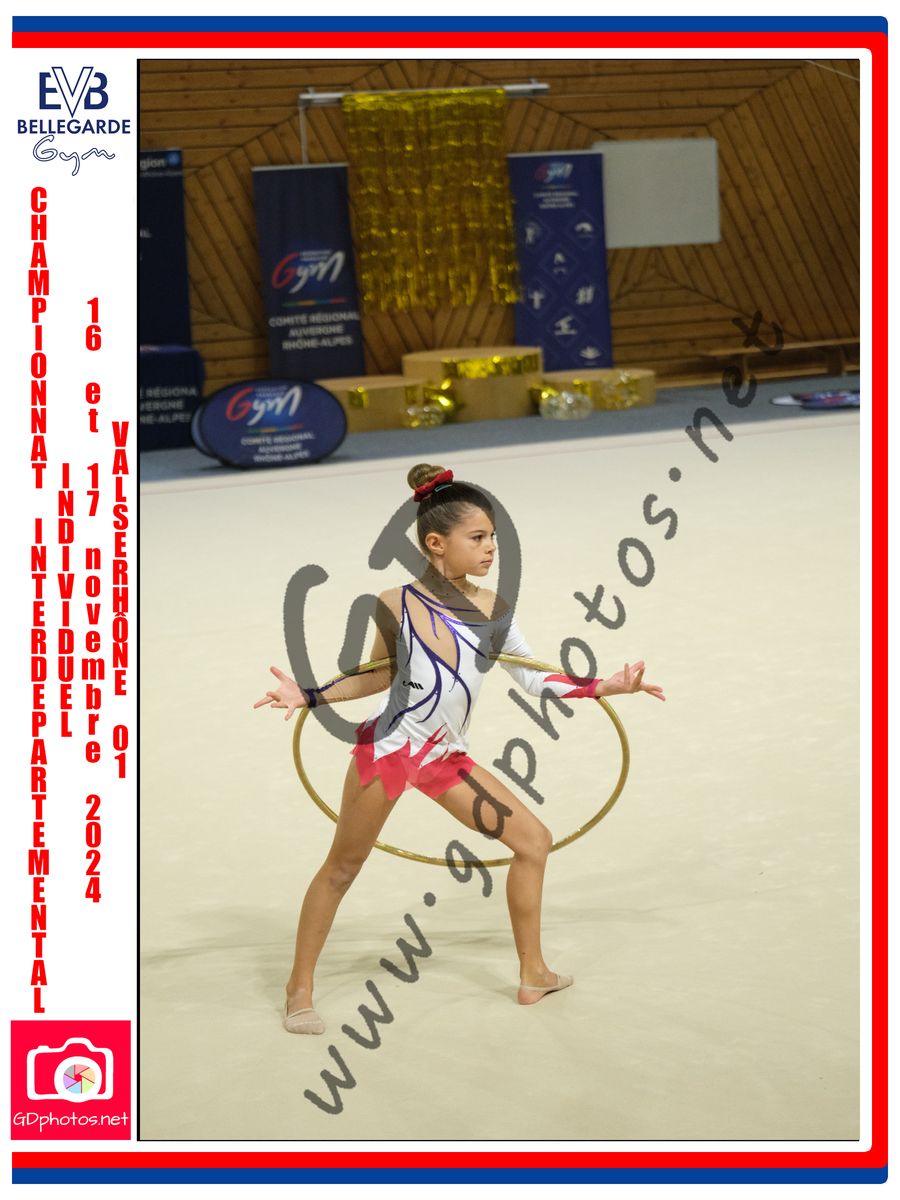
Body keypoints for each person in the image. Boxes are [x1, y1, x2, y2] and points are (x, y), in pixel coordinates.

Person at [255, 463, 665, 1033]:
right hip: (391, 750)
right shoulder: (394, 602)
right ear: (436, 543)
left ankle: (534, 972)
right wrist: (310, 695)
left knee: (533, 841)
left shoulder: (494, 609)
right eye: (478, 537)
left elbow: (533, 676)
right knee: (343, 866)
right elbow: (376, 674)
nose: (492, 547)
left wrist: (604, 686)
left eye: (493, 536)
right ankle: (298, 988)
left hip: (446, 758)